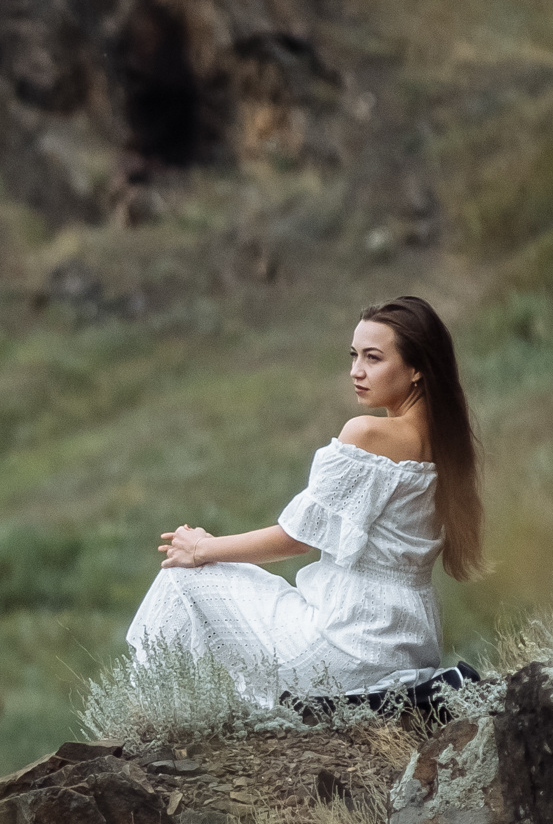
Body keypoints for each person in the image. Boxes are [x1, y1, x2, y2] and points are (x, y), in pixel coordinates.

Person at [124, 296, 483, 707]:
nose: (356, 371)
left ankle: (149, 721)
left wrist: (202, 549)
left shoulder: (367, 434)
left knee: (181, 576)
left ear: (417, 368)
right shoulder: (448, 443)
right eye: (353, 356)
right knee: (215, 576)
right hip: (408, 640)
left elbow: (297, 541)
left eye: (374, 358)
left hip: (345, 642)